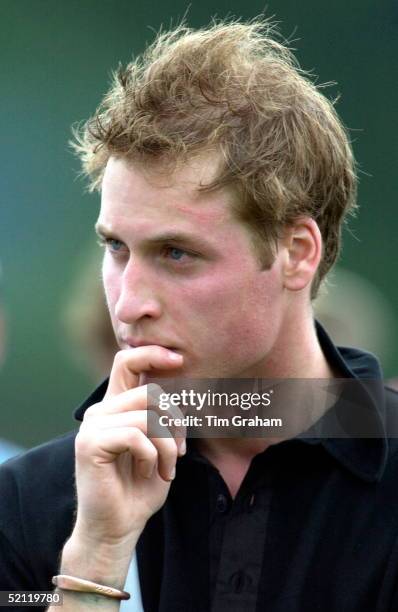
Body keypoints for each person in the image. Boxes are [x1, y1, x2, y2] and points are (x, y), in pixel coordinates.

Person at [1, 19, 398, 612]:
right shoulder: (32, 499)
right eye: (116, 248)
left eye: (177, 253)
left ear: (297, 254)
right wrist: (95, 557)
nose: (130, 303)